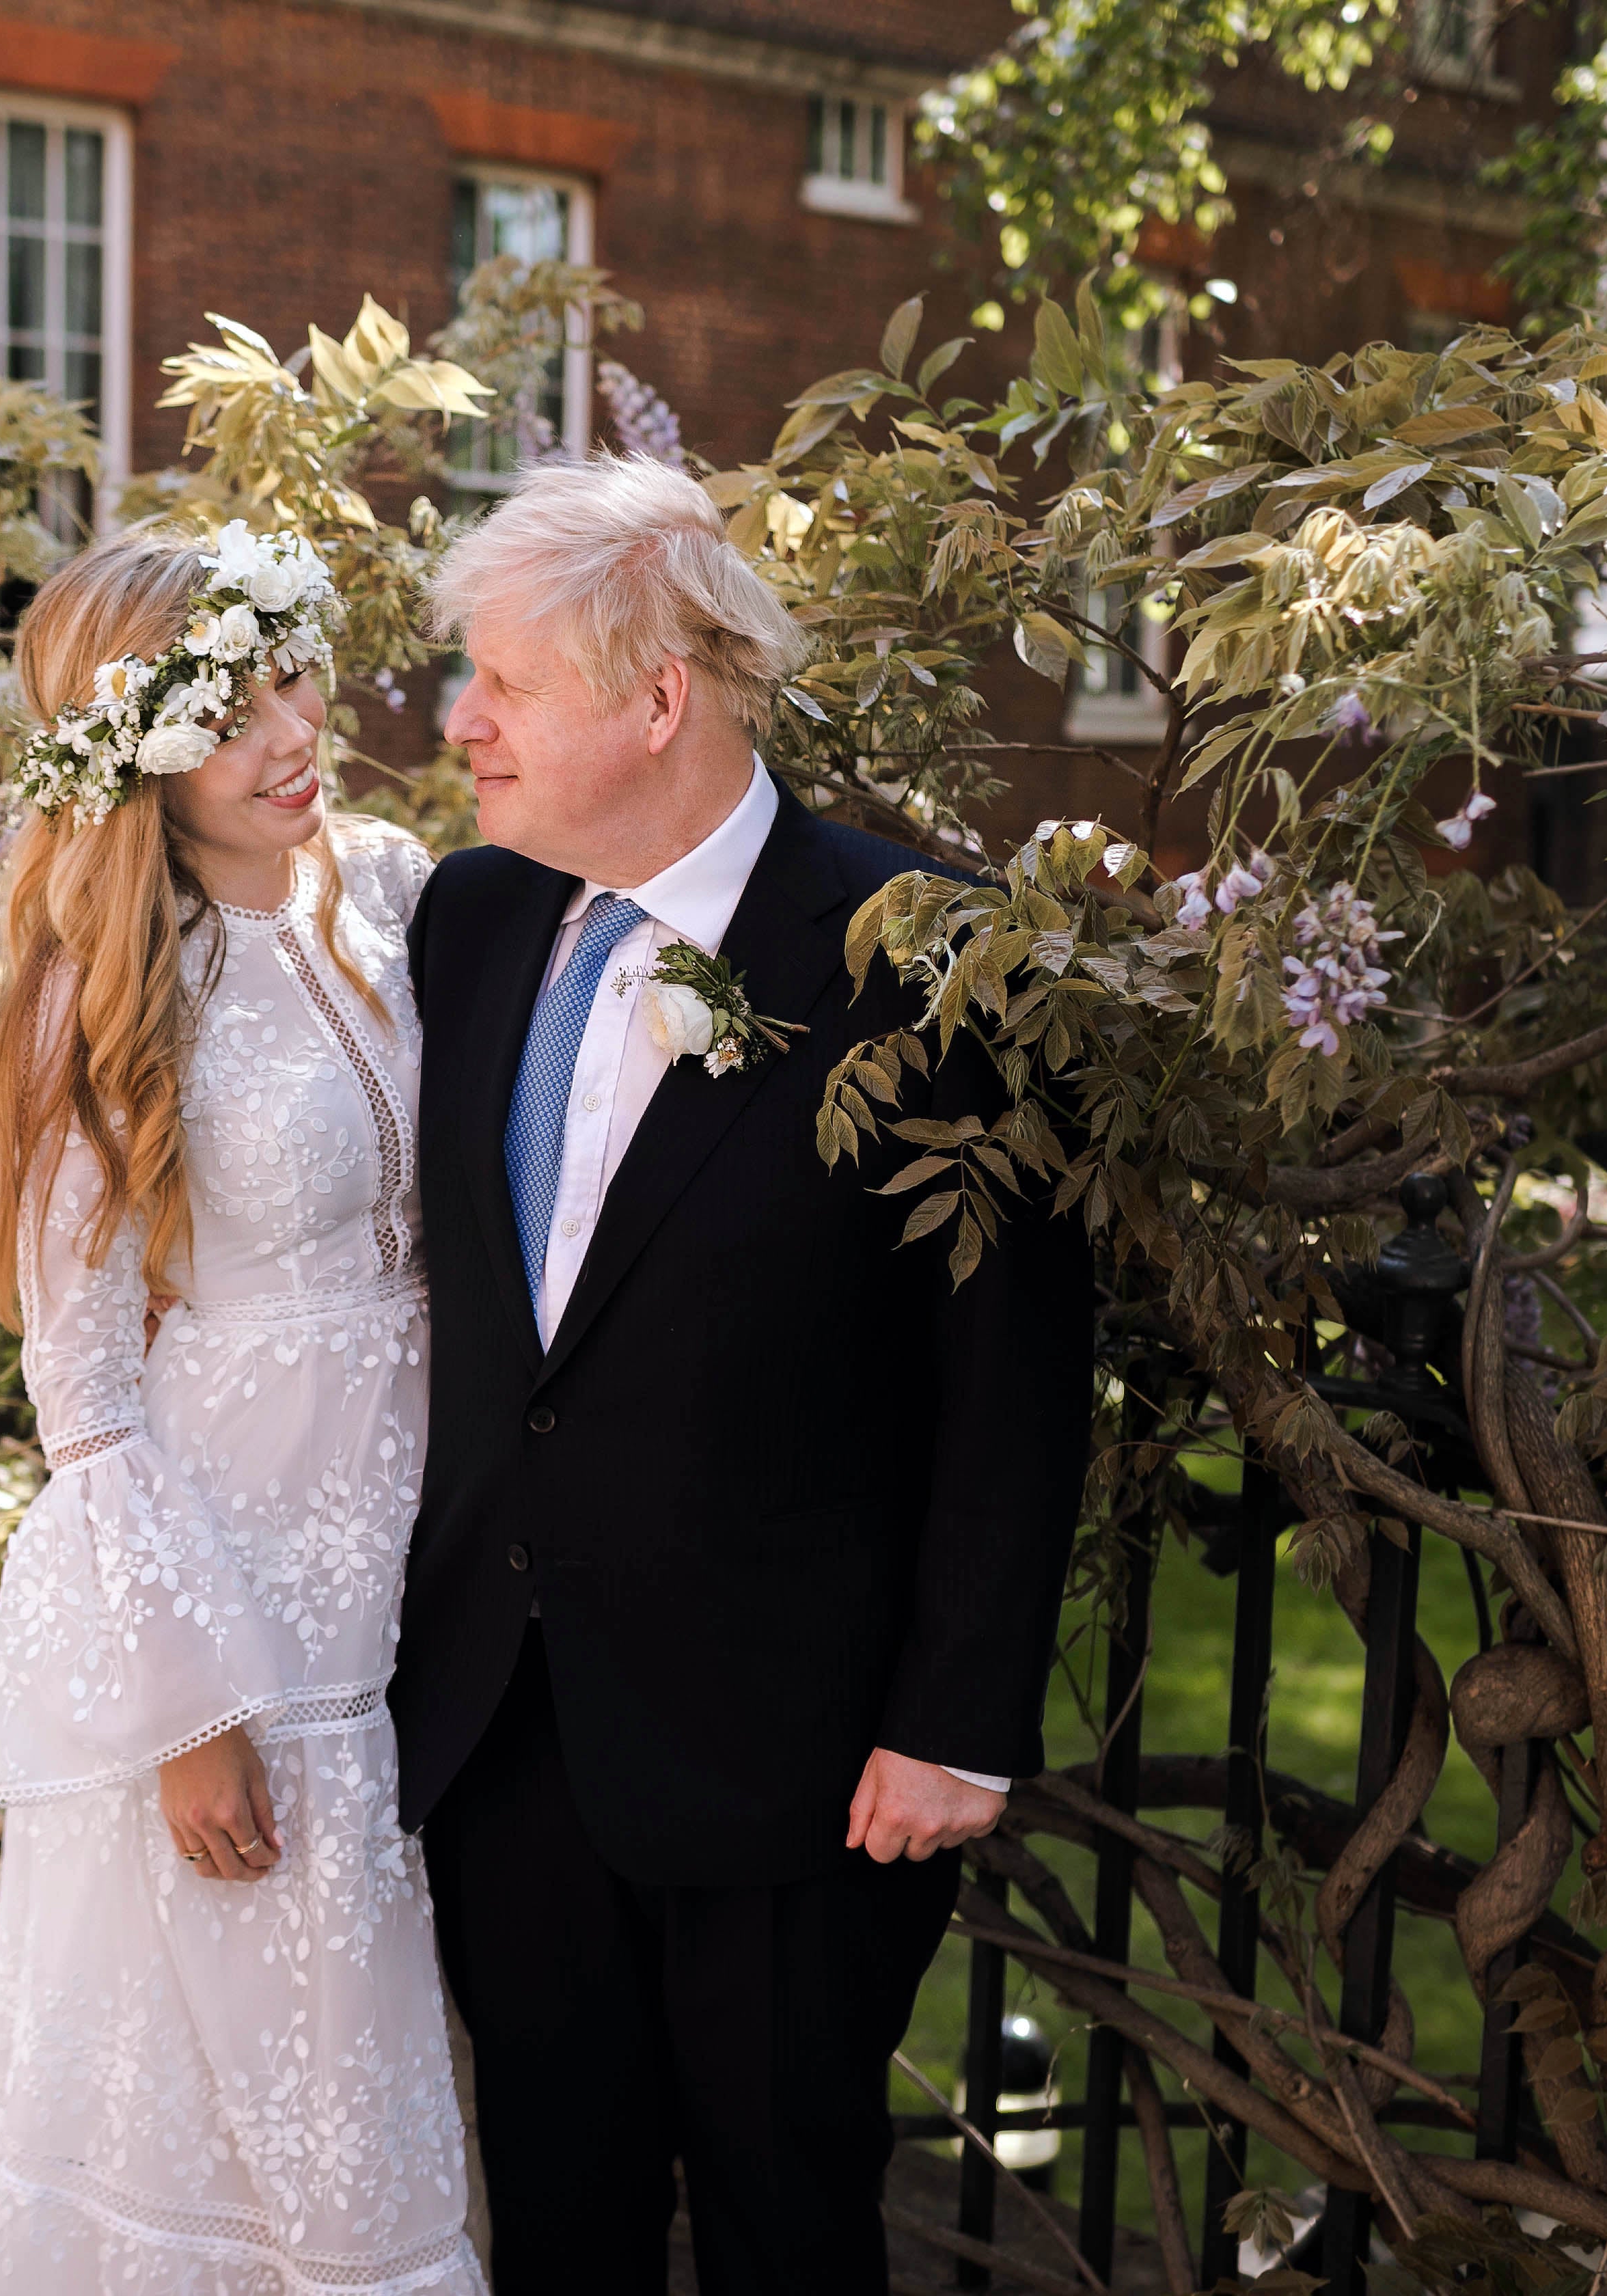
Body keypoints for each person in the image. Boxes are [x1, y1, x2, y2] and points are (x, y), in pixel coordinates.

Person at [392, 456, 1095, 2295]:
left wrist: (957, 1720)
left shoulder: (931, 958)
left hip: (800, 1764)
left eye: (503, 687)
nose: (462, 726)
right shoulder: (466, 926)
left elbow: (1012, 1377)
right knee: (558, 2216)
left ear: (656, 700)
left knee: (791, 2222)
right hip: (504, 1729)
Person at [0, 521, 482, 2295]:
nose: (288, 729)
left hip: (438, 1543)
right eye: (224, 706)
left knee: (396, 2055)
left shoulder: (399, 890)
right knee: (273, 2092)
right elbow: (86, 1387)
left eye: (292, 669)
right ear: (132, 753)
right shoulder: (108, 991)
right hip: (241, 1601)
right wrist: (191, 1706)